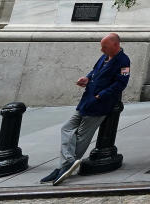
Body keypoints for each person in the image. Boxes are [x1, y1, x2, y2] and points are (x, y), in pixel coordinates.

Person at [41, 33, 130, 185]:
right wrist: (87, 78)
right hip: (86, 101)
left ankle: (63, 168)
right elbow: (94, 71)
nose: (101, 49)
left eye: (105, 46)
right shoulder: (104, 57)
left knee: (82, 136)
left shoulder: (123, 60)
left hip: (99, 105)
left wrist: (100, 96)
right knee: (66, 128)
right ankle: (68, 162)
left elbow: (120, 84)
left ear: (115, 45)